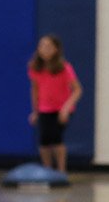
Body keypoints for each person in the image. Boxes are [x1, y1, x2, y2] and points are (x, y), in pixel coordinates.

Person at [27, 34, 82, 173]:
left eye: (48, 46)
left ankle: (61, 170)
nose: (44, 49)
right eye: (41, 46)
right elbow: (35, 90)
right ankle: (47, 170)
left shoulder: (64, 67)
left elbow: (77, 90)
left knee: (56, 138)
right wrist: (35, 111)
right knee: (44, 140)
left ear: (56, 49)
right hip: (44, 108)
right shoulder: (35, 68)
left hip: (61, 109)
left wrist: (66, 108)